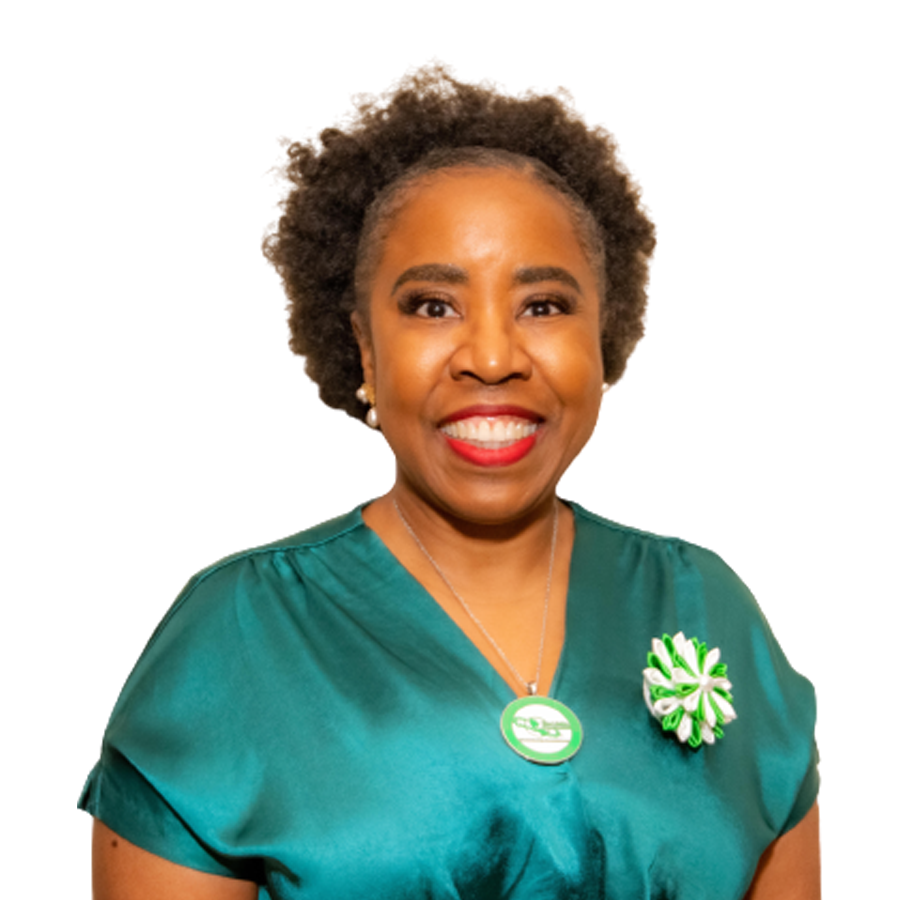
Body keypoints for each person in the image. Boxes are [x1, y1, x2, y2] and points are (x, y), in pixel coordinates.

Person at [79, 87, 821, 899]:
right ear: (364, 350)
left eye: (543, 305)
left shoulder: (705, 609)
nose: (493, 356)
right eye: (433, 306)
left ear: (599, 340)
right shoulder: (236, 640)